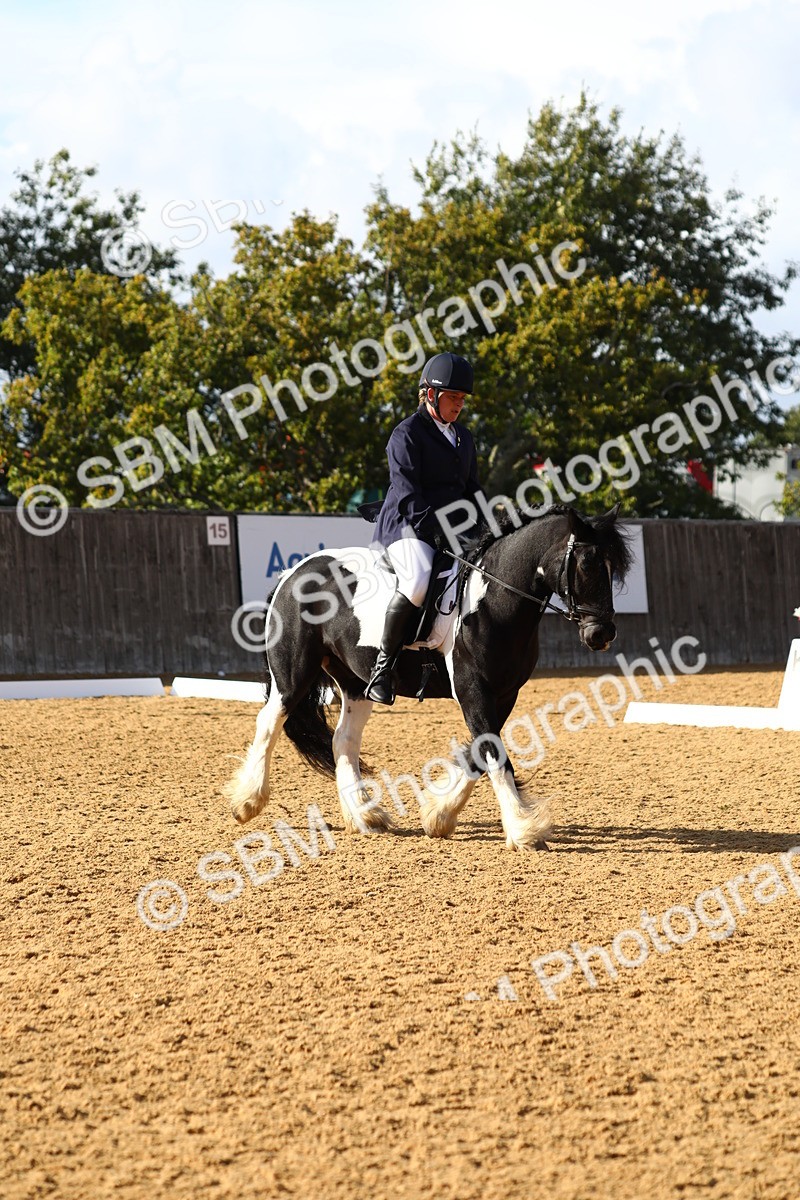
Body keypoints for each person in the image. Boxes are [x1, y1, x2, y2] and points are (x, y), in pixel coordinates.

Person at [365, 351, 482, 705]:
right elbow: (405, 492)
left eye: (462, 399)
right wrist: (435, 531)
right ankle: (382, 670)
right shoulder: (406, 434)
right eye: (453, 397)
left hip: (451, 527)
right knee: (417, 581)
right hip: (406, 525)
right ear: (431, 394)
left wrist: (491, 527)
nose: (459, 405)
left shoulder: (463, 437)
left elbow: (473, 489)